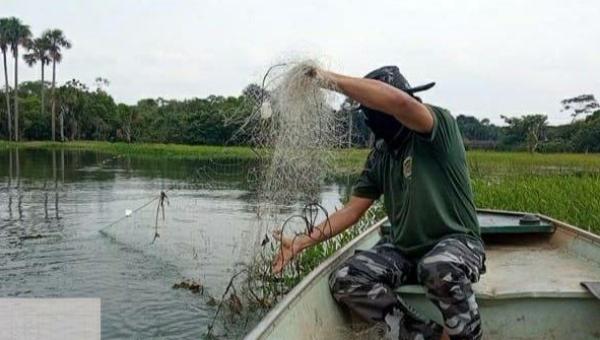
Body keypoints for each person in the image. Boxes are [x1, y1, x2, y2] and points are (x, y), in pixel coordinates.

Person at [271, 65, 485, 340]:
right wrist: (303, 240)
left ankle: (467, 335)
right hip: (405, 250)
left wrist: (325, 79)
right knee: (346, 277)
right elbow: (352, 210)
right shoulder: (381, 155)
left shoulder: (437, 127)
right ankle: (424, 336)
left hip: (457, 243)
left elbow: (398, 103)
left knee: (438, 265)